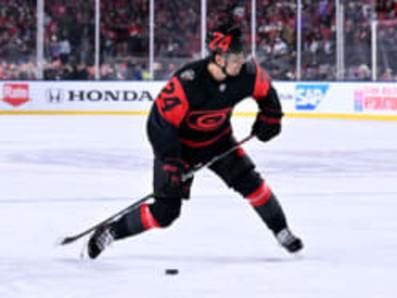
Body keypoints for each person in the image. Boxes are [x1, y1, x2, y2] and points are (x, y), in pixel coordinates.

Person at [86, 23, 303, 259]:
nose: (241, 62)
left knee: (252, 183)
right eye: (235, 58)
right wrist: (170, 161)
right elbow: (159, 124)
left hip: (219, 142)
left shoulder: (247, 74)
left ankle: (282, 231)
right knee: (165, 213)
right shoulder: (188, 82)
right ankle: (111, 232)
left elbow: (267, 93)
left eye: (242, 56)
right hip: (180, 150)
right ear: (218, 59)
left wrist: (271, 116)